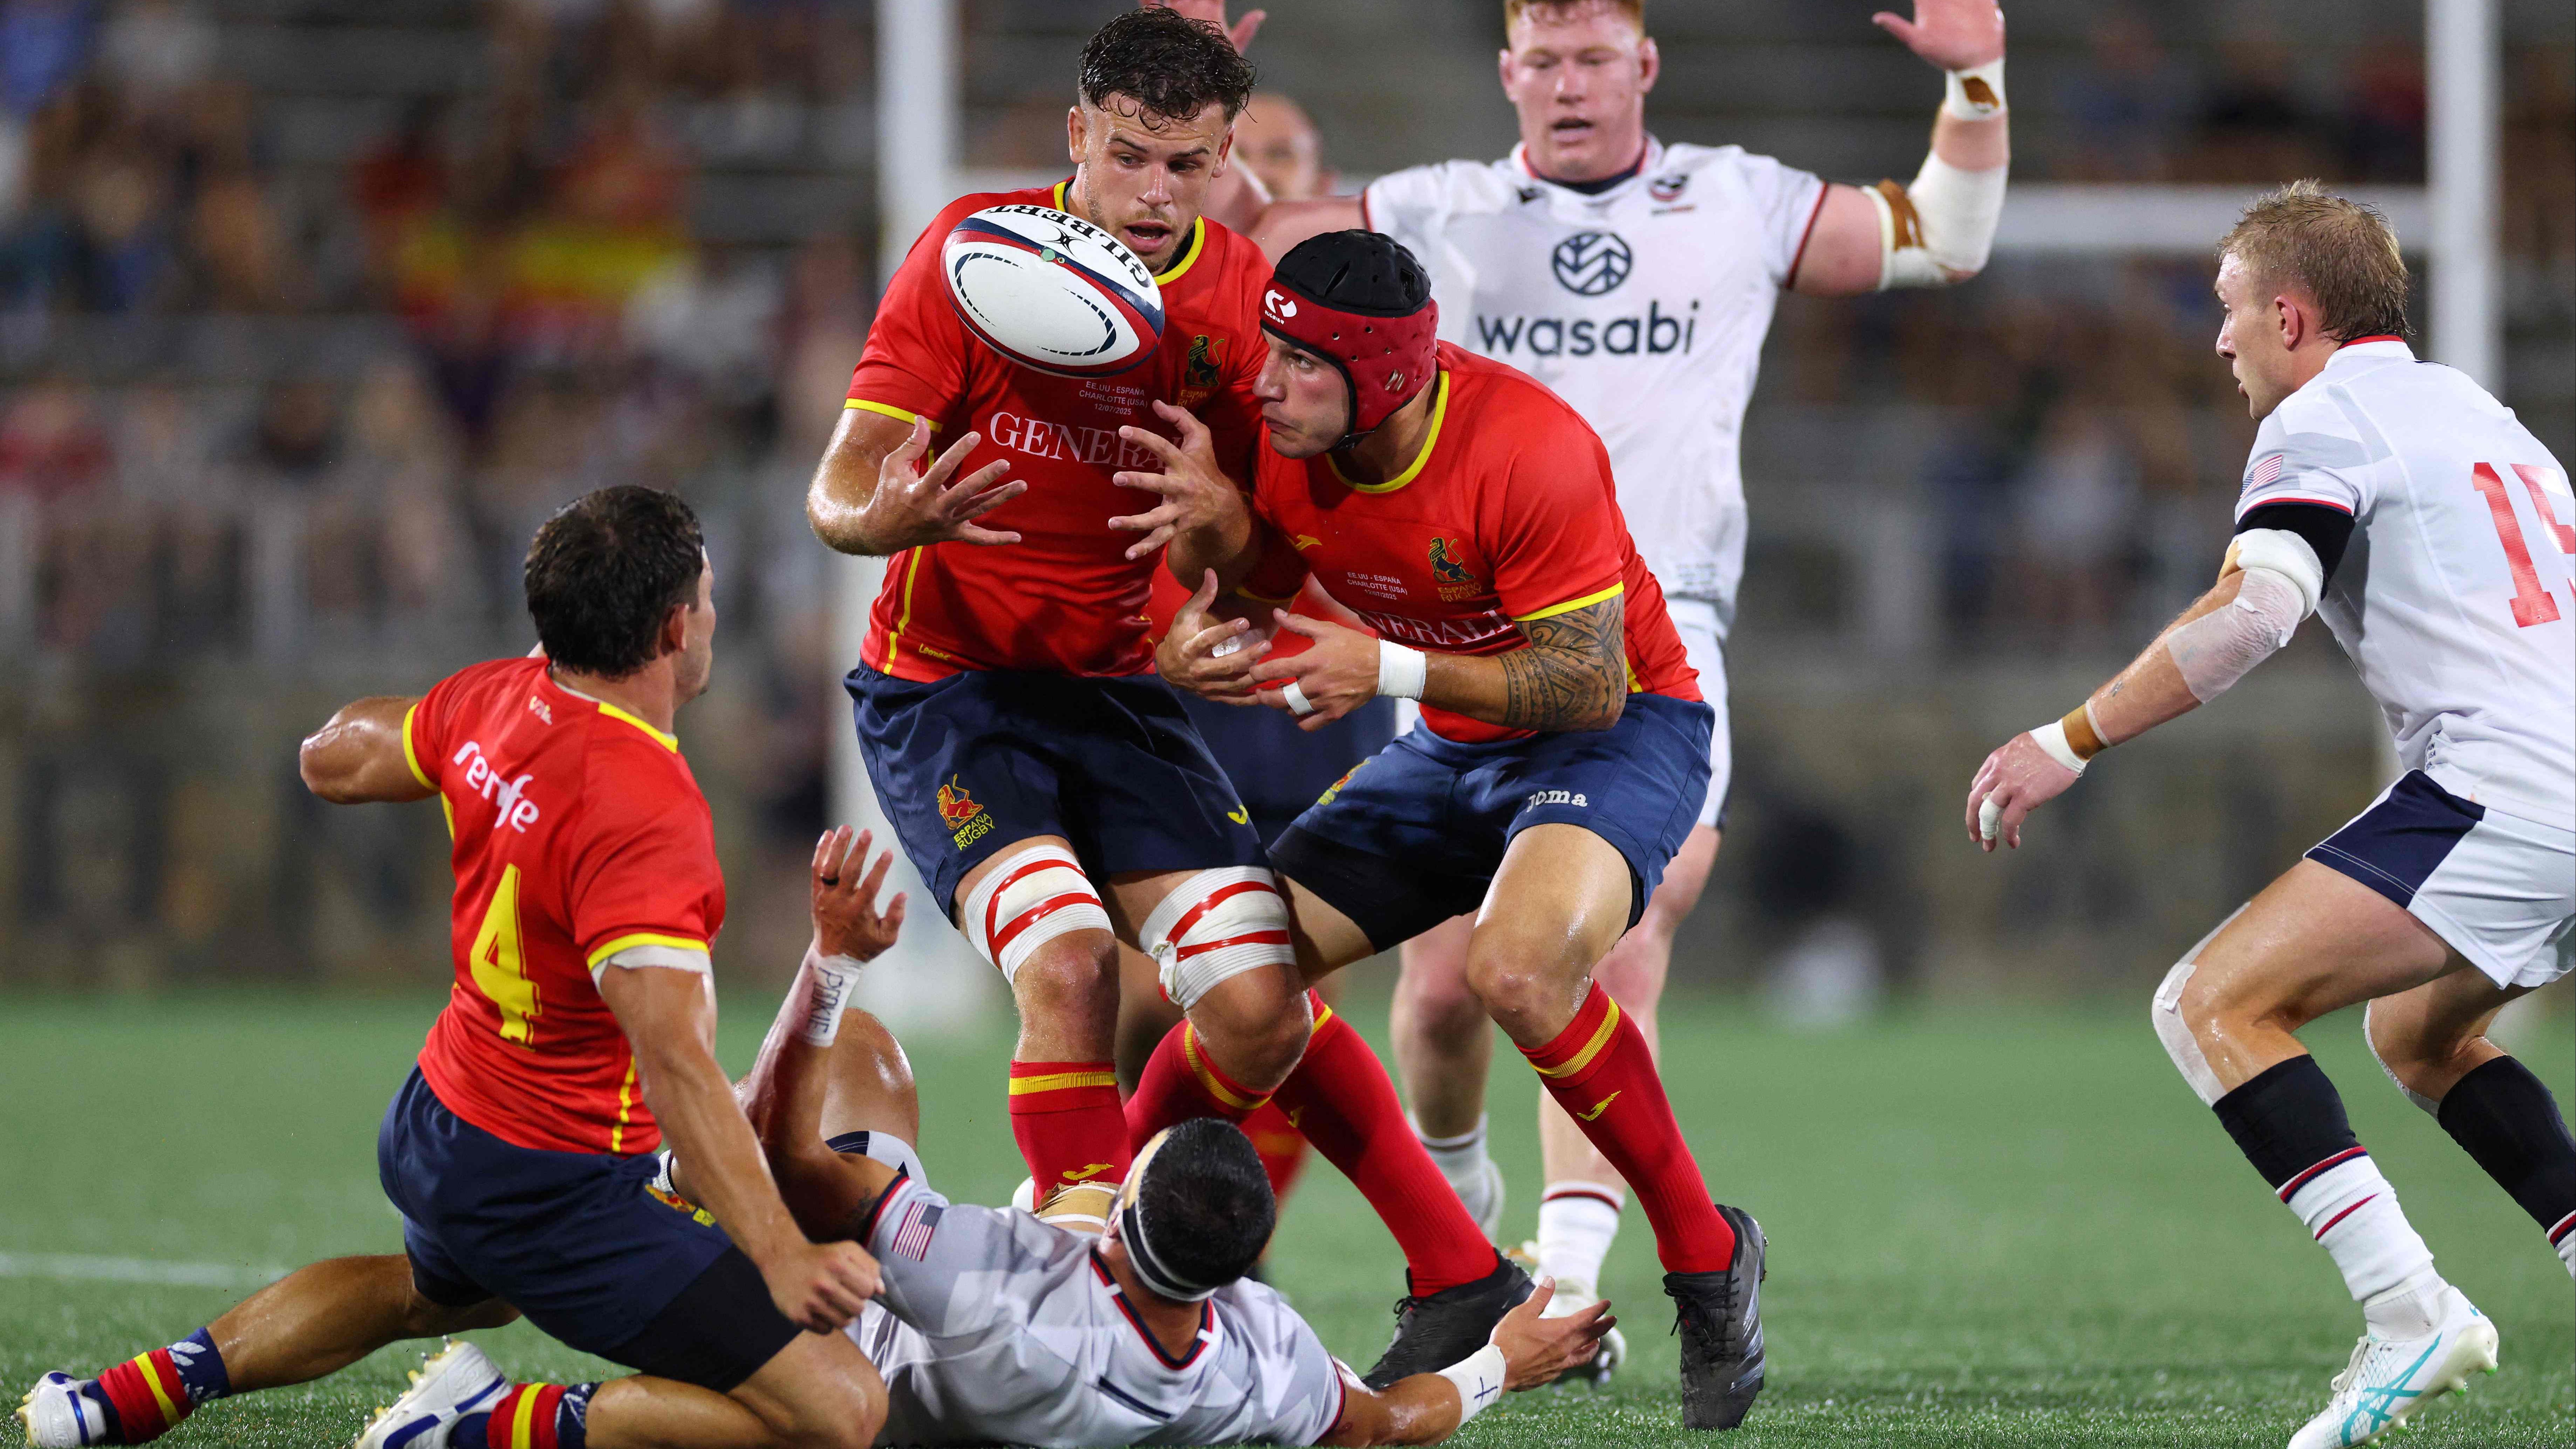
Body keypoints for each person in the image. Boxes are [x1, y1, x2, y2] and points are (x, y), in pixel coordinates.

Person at [1201, 0, 2011, 1361]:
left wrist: (1976, 76)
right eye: (1543, 61)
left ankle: (1566, 1286)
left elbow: (1946, 234)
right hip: (1462, 635)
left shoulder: (1736, 200)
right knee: (1439, 993)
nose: (1569, 85)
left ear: (1644, 66)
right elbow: (1225, 248)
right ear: (1505, 72)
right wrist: (1195, 74)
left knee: (1592, 945)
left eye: (1593, 59)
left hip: (1648, 639)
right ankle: (1462, 1232)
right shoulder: (1434, 210)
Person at [802, 6, 1524, 1383]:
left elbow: (1274, 561)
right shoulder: (970, 257)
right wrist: (880, 519)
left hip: (1121, 694)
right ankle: (1083, 1296)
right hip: (950, 691)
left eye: (1188, 165)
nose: (1154, 192)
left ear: (1225, 158)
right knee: (1072, 963)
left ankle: (1454, 1269)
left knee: (1257, 1000)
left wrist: (1220, 562)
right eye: (1129, 155)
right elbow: (838, 483)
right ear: (1077, 133)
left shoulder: (1244, 310)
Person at [18, 487, 888, 1449]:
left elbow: (328, 761)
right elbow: (675, 1066)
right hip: (554, 1181)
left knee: (438, 1295)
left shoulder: (495, 699)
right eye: (709, 597)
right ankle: (483, 1423)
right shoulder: (644, 807)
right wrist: (780, 1253)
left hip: (443, 1122)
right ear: (675, 628)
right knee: (843, 1413)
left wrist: (481, 742)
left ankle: (115, 1400)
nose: (715, 616)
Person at [1965, 183, 2574, 1449]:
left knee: (2210, 1002)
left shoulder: (2324, 416)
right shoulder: (2483, 414)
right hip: (2551, 783)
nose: (2219, 338)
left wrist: (2066, 739)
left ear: (2291, 316)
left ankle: (2409, 1311)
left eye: (2231, 308)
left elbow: (2253, 614)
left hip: (2509, 788)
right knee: (2417, 1033)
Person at [1122, 230, 1765, 1430]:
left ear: (1386, 379)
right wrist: (1216, 543)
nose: (1266, 381)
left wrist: (1389, 668)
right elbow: (1267, 580)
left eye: (1301, 363)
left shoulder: (1528, 445)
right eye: (1270, 348)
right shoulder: (1281, 435)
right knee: (1234, 976)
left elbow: (1589, 685)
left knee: (1514, 970)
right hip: (1456, 745)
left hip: (1620, 732)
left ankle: (1707, 1253)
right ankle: (1442, 1268)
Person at [681, 825, 1614, 1447]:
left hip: (843, 1351)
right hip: (1005, 1391)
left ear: (1123, 1216)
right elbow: (1384, 1422)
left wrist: (832, 962)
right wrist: (1502, 1365)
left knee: (855, 1055)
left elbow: (792, 1164)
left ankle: (658, 1172)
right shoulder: (1259, 1360)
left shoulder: (992, 1278)